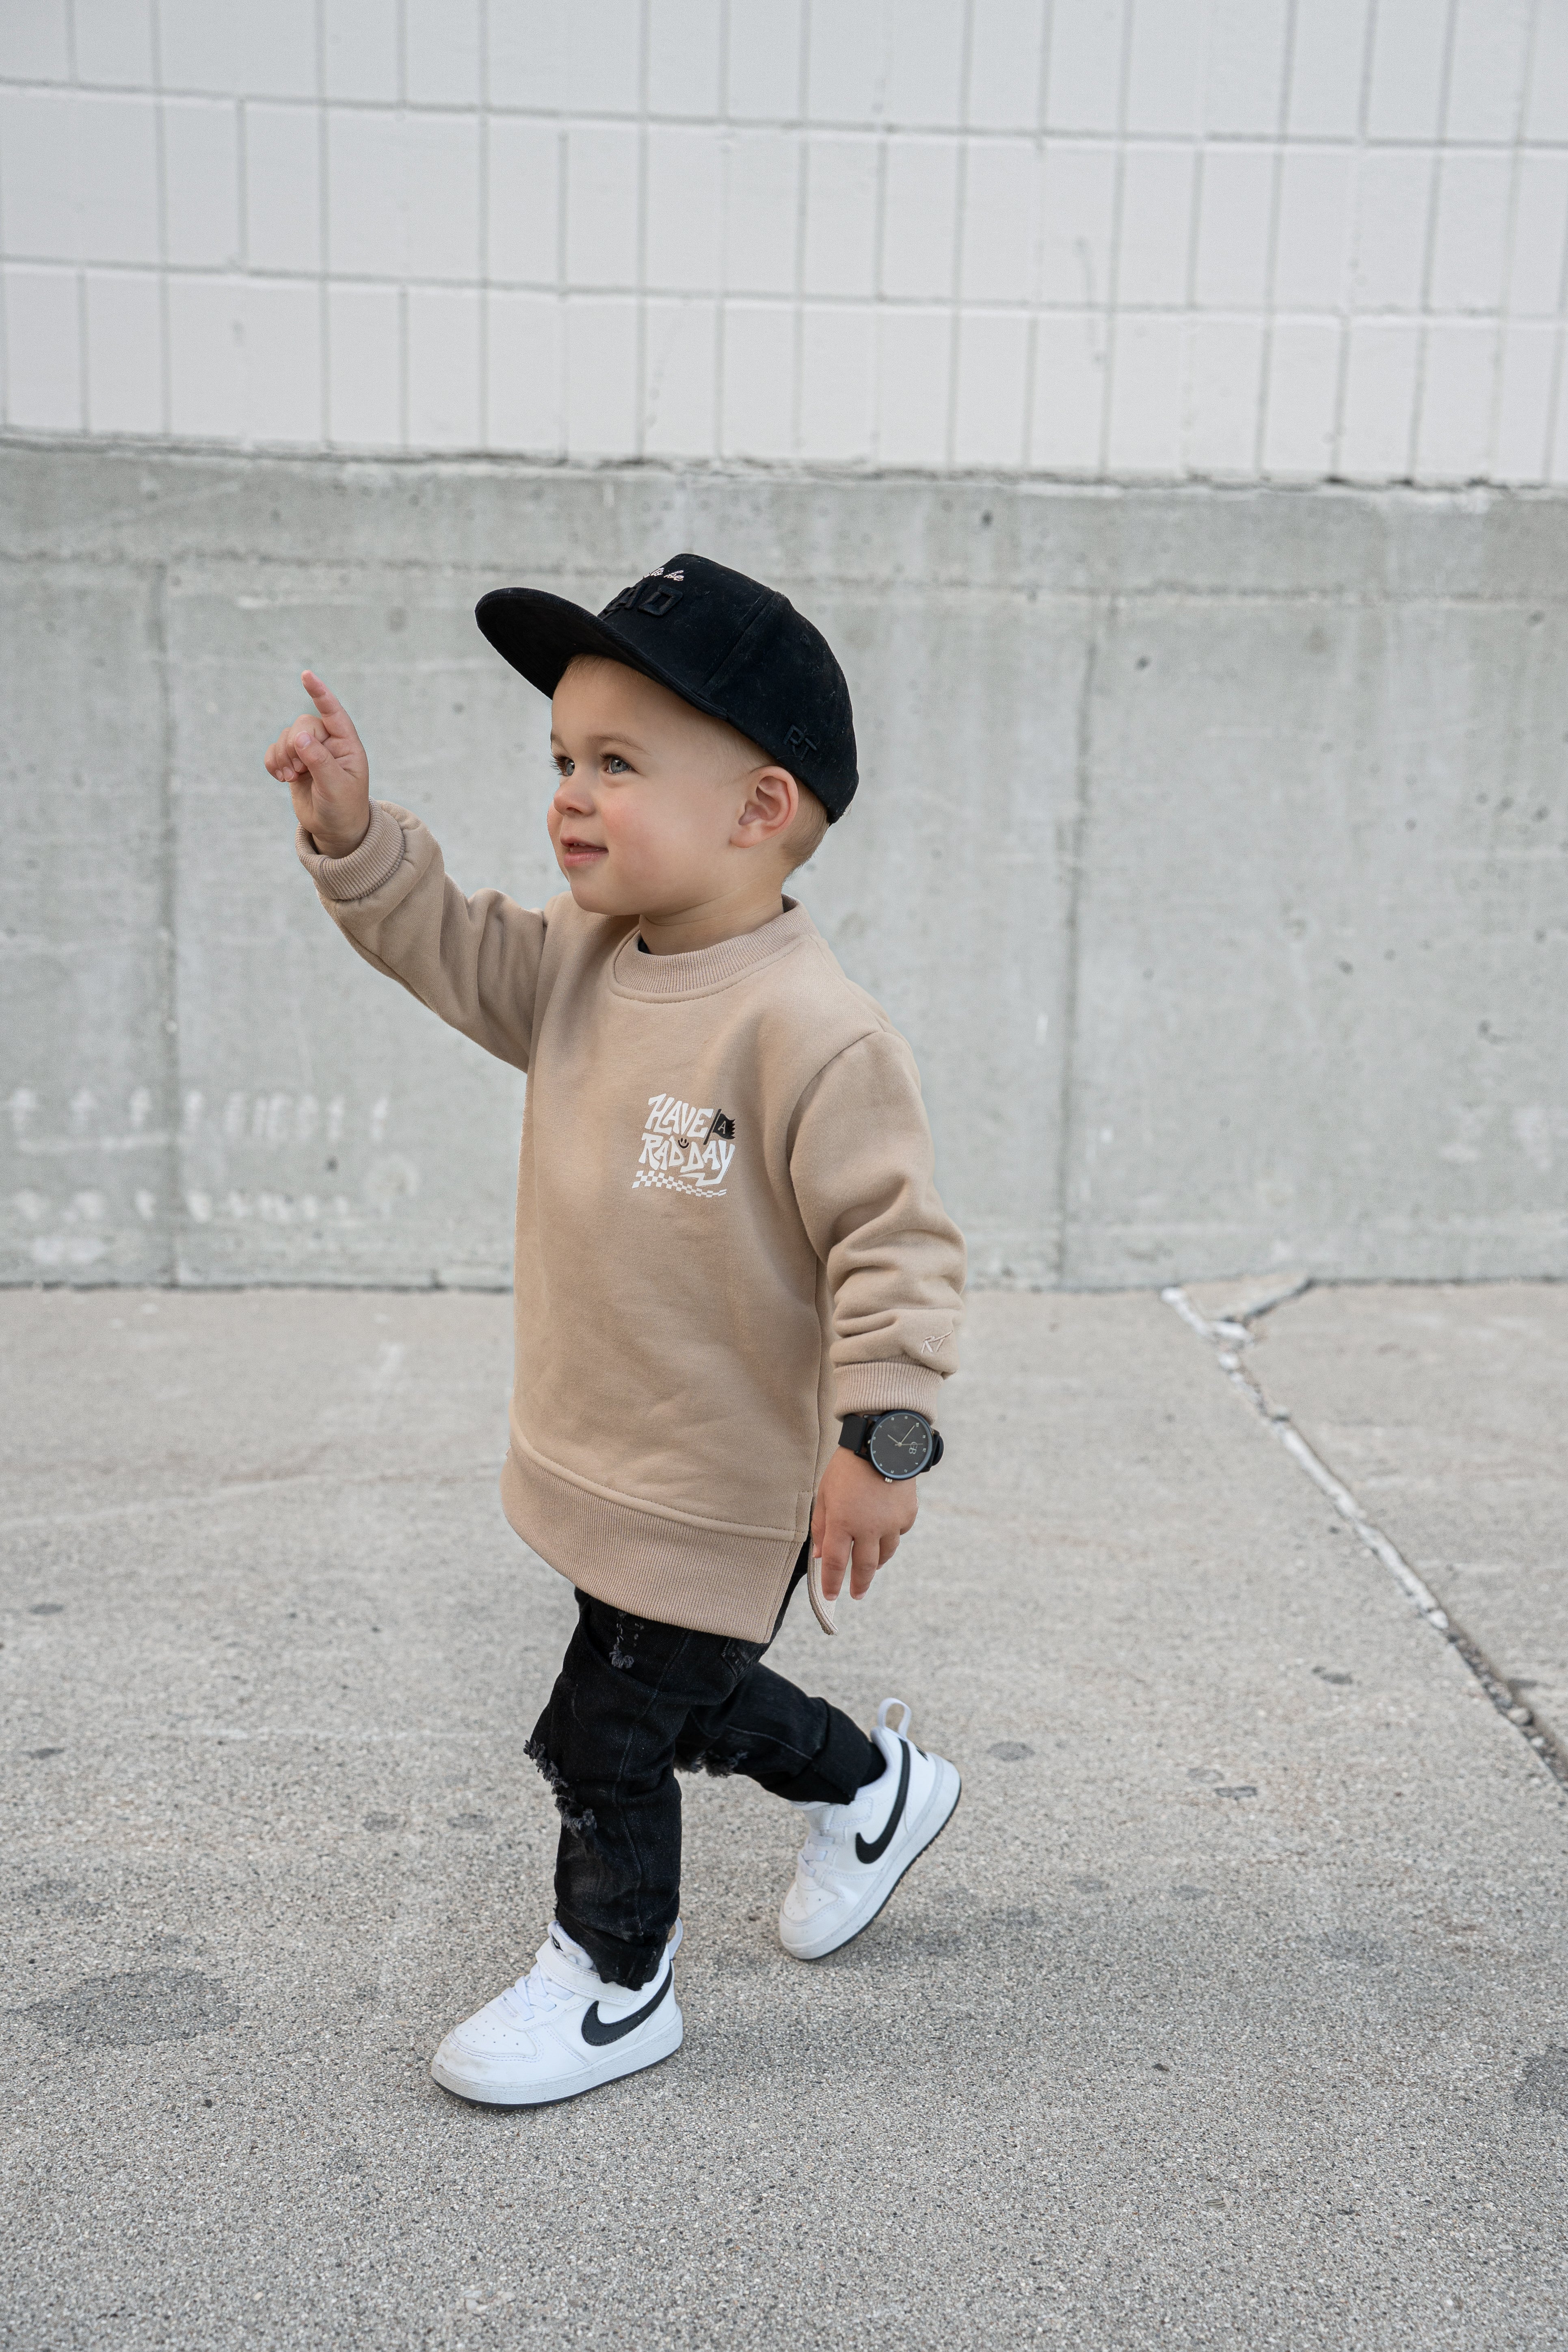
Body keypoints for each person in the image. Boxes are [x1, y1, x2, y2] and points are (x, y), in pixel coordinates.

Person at [263, 553, 967, 2107]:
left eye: (620, 764)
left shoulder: (812, 1028)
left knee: (605, 1737)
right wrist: (354, 838)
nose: (573, 795)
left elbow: (895, 1246)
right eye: (563, 761)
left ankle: (612, 1978)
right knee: (691, 1694)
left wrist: (882, 1443)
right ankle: (876, 1788)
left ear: (759, 807)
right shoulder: (586, 963)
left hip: (721, 1482)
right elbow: (450, 942)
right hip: (607, 1454)